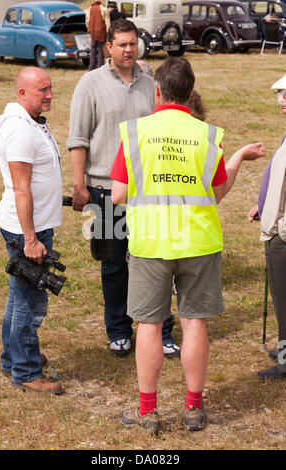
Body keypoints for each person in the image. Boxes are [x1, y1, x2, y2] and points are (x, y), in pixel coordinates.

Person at [111, 57, 265, 434]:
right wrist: (239, 159)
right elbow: (217, 193)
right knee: (194, 322)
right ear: (190, 92)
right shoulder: (208, 134)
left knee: (148, 325)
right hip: (199, 241)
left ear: (157, 91)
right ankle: (193, 409)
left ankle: (148, 412)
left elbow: (117, 195)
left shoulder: (135, 132)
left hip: (151, 244)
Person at [67, 18, 179, 359]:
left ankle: (160, 330)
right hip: (103, 192)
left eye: (133, 44)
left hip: (147, 194)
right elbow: (77, 138)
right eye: (122, 44)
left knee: (154, 263)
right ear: (108, 48)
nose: (129, 50)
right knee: (114, 265)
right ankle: (118, 331)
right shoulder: (89, 84)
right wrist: (79, 184)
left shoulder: (152, 84)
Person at [0, 67, 64, 394]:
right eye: (42, 90)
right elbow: (22, 189)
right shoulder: (20, 131)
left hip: (31, 226)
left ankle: (13, 356)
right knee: (29, 301)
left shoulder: (31, 121)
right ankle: (25, 371)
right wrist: (32, 240)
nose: (49, 95)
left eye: (50, 88)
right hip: (27, 231)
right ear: (22, 93)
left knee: (18, 296)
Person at [248, 74, 286, 381]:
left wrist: (281, 227)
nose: (281, 100)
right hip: (277, 227)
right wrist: (265, 205)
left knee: (284, 302)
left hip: (282, 236)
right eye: (279, 94)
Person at [86, 0, 110, 71]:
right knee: (101, 50)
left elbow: (87, 21)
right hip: (101, 32)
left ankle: (91, 67)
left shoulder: (89, 8)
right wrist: (108, 32)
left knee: (93, 50)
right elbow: (107, 22)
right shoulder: (103, 8)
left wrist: (89, 29)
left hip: (93, 32)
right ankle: (100, 66)